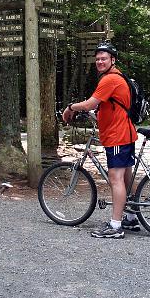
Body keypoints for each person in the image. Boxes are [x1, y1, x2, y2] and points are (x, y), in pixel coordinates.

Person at [62, 42, 138, 239]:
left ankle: (115, 226)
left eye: (104, 58)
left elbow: (90, 104)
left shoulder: (110, 79)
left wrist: (70, 108)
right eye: (97, 59)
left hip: (117, 137)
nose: (100, 61)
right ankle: (131, 216)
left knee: (116, 179)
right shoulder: (118, 77)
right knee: (126, 177)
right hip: (125, 133)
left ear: (113, 60)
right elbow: (109, 107)